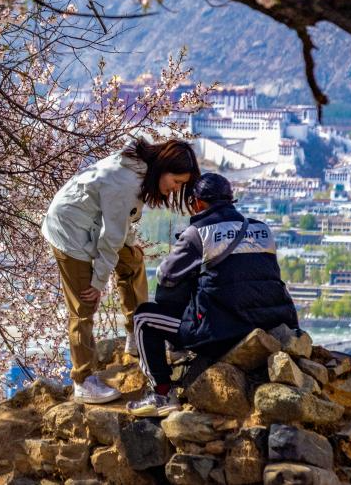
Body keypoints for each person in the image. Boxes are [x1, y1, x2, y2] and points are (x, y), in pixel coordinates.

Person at [42, 137, 200, 404]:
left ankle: (135, 333)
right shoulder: (126, 182)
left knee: (133, 261)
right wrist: (98, 281)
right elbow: (111, 236)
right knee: (84, 303)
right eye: (177, 182)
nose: (175, 190)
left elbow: (119, 219)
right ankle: (84, 380)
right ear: (163, 168)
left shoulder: (141, 169)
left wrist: (129, 244)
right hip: (68, 231)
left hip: (90, 222)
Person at [128, 173, 299, 417]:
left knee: (144, 318)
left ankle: (162, 393)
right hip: (271, 322)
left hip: (222, 330)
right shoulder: (262, 229)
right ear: (230, 200)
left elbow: (166, 276)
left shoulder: (199, 233)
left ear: (197, 203)